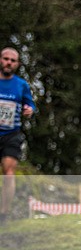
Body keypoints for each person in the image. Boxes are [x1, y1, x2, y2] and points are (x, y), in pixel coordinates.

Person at [0, 47, 36, 222]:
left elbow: (30, 105)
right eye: (6, 59)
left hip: (11, 134)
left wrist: (29, 109)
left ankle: (4, 212)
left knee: (8, 172)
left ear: (17, 64)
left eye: (12, 60)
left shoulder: (21, 85)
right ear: (0, 60)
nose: (8, 62)